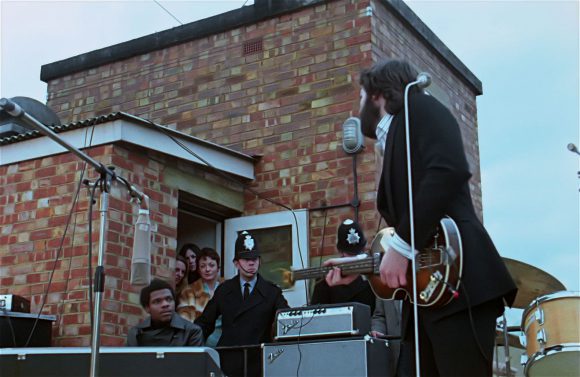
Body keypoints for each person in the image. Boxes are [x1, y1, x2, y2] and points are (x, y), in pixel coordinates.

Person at [325, 59, 517, 376]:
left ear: (376, 94)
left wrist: (401, 246)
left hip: (460, 285)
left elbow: (449, 170)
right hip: (429, 298)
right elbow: (412, 242)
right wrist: (361, 266)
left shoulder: (421, 107)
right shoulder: (396, 135)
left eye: (360, 97)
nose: (358, 109)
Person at [195, 230, 289, 376]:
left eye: (255, 258)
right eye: (246, 259)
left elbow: (286, 322)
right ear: (236, 263)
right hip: (228, 363)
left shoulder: (272, 292)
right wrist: (191, 349)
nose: (251, 263)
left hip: (258, 364)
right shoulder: (224, 290)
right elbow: (205, 323)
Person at [311, 219, 376, 313]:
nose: (354, 259)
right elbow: (317, 315)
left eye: (358, 253)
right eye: (350, 254)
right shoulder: (325, 280)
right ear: (340, 252)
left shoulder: (372, 277)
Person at [127, 278, 203, 347]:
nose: (165, 304)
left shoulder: (191, 332)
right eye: (157, 301)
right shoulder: (136, 333)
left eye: (169, 299)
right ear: (147, 308)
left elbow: (195, 362)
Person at [177, 247, 223, 346]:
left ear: (218, 268)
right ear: (198, 269)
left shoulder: (228, 287)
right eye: (203, 266)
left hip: (228, 344)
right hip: (200, 344)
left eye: (211, 265)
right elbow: (186, 324)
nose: (207, 269)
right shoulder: (189, 291)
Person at [371, 298, 407, 376]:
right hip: (395, 351)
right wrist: (378, 329)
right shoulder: (382, 287)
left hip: (420, 351)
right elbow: (380, 316)